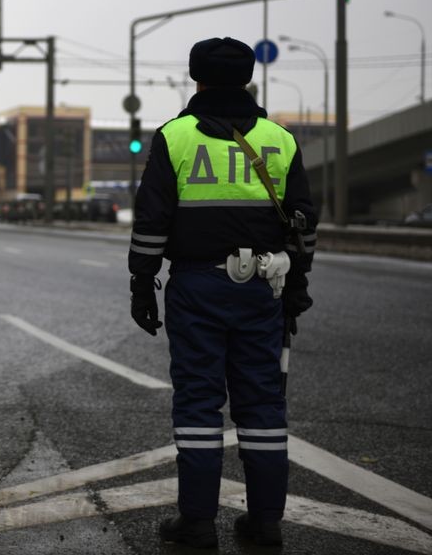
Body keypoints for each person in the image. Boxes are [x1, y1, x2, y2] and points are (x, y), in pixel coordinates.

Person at [128, 36, 316, 548]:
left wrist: (142, 284)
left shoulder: (175, 138)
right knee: (261, 404)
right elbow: (304, 224)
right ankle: (265, 523)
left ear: (196, 77)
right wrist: (295, 287)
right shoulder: (280, 139)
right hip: (263, 287)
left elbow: (151, 222)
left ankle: (196, 522)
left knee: (198, 402)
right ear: (249, 77)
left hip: (196, 286)